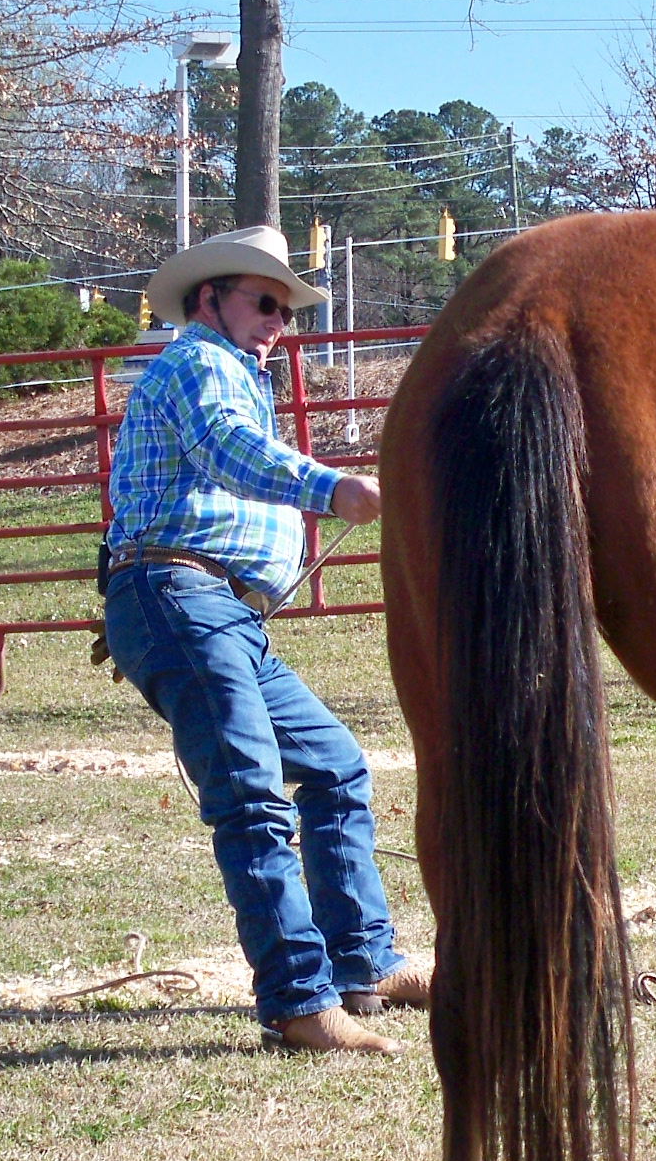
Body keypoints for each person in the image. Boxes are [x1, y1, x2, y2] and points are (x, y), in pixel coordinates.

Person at [102, 225, 426, 1054]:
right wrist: (331, 487)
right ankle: (298, 1001)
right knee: (251, 793)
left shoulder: (231, 373)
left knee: (334, 765)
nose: (277, 321)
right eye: (263, 302)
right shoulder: (199, 363)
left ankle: (362, 964)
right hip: (183, 594)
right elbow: (224, 450)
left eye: (284, 308)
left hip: (210, 608)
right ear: (209, 299)